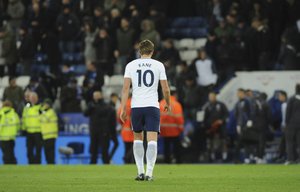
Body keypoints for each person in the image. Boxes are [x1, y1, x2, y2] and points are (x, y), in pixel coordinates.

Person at [120, 39, 170, 181]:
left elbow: (125, 89)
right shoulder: (158, 65)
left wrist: (123, 108)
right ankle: (149, 173)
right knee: (152, 139)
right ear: (152, 51)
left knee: (137, 138)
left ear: (139, 51)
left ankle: (140, 172)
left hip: (136, 106)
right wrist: (168, 102)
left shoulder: (131, 65)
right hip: (152, 106)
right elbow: (165, 88)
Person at [84, 91, 116, 164]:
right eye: (94, 96)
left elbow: (110, 119)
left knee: (104, 150)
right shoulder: (91, 105)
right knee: (93, 150)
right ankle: (93, 164)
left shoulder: (106, 106)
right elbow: (85, 113)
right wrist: (90, 107)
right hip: (94, 131)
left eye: (97, 95)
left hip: (104, 131)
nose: (96, 97)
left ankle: (106, 164)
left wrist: (109, 131)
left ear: (101, 96)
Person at [159, 86, 184, 164]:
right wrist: (181, 129)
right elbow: (179, 119)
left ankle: (167, 162)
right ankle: (178, 162)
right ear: (175, 94)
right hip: (175, 131)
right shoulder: (177, 105)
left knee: (166, 148)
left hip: (164, 131)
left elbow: (158, 118)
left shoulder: (161, 104)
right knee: (177, 149)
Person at [203, 91, 228, 162]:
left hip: (221, 127)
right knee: (211, 141)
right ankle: (212, 156)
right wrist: (207, 125)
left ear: (215, 96)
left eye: (213, 96)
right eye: (210, 97)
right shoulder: (207, 106)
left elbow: (226, 114)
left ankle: (224, 156)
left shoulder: (221, 105)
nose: (211, 98)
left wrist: (221, 120)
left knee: (223, 141)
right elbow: (205, 117)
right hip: (211, 127)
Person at [22, 92, 42, 164]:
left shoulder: (40, 107)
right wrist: (23, 129)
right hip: (29, 132)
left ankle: (37, 164)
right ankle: (31, 164)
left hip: (38, 132)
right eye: (31, 98)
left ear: (37, 98)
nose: (33, 99)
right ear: (29, 99)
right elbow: (24, 119)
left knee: (38, 150)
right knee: (29, 150)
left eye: (34, 98)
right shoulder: (26, 108)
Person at [285, 84, 300, 164]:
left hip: (291, 124)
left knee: (290, 142)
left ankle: (290, 159)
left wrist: (286, 123)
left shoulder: (292, 98)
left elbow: (288, 112)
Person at [40, 98, 58, 164]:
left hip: (51, 135)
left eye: (47, 104)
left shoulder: (51, 112)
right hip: (45, 135)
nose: (45, 105)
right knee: (46, 151)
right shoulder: (45, 112)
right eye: (45, 104)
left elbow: (44, 119)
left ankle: (51, 163)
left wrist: (42, 112)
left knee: (50, 151)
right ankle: (48, 163)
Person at [117, 94, 134, 163]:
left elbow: (119, 118)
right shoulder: (135, 103)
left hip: (125, 131)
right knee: (134, 148)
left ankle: (126, 161)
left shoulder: (122, 105)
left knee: (127, 148)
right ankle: (127, 158)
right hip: (133, 131)